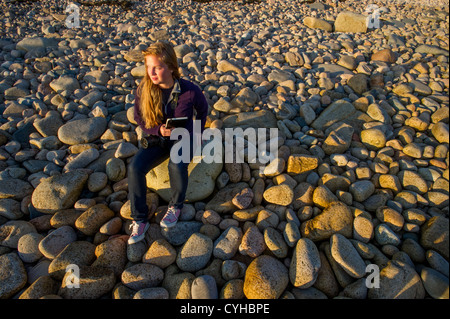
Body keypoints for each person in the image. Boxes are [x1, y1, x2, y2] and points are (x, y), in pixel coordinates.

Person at [127, 41, 208, 244]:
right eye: (148, 67)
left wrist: (197, 135)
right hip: (157, 139)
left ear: (171, 67)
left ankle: (175, 206)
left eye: (158, 67)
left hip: (184, 139)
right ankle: (140, 219)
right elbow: (140, 119)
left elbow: (203, 110)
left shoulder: (190, 90)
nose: (151, 72)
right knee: (135, 168)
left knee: (176, 163)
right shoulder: (143, 90)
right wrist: (157, 130)